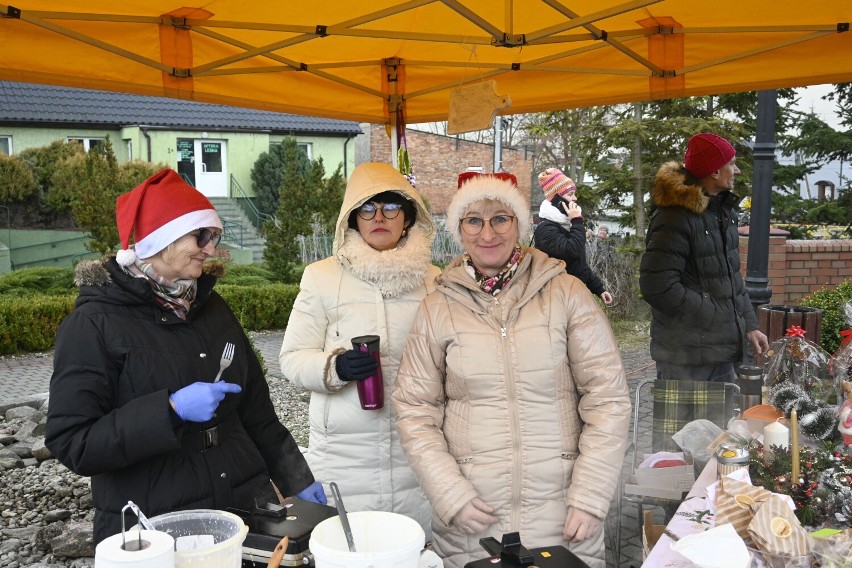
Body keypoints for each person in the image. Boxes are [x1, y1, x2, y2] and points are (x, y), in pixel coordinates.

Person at [44, 168, 325, 545]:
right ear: (162, 240)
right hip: (155, 520)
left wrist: (297, 479)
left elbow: (257, 413)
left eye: (214, 237)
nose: (211, 249)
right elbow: (72, 441)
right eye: (201, 236)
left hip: (241, 502)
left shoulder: (212, 307)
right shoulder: (92, 324)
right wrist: (169, 410)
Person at [393, 172, 630, 568]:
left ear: (520, 224)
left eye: (500, 218)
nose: (488, 233)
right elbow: (415, 411)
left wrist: (590, 496)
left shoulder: (567, 292)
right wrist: (451, 494)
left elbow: (607, 399)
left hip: (564, 517)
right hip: (473, 519)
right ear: (459, 229)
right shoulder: (438, 307)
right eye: (474, 220)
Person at [279, 162, 439, 538]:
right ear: (352, 219)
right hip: (343, 458)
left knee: (410, 549)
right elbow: (291, 357)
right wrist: (334, 368)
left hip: (415, 454)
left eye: (390, 207)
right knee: (349, 549)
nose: (378, 217)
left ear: (409, 216)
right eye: (367, 208)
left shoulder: (435, 281)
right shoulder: (322, 277)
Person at [639, 133, 769, 382]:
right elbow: (658, 288)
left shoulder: (722, 212)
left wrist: (749, 325)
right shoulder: (674, 217)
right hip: (683, 360)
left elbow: (730, 278)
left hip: (718, 354)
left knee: (721, 422)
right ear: (714, 172)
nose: (737, 170)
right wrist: (717, 316)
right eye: (731, 163)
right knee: (684, 424)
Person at [532, 168, 614, 305]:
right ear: (557, 199)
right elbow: (572, 251)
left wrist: (599, 289)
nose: (575, 199)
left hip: (571, 295)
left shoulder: (565, 224)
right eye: (570, 194)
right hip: (555, 299)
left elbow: (578, 265)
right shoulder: (546, 229)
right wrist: (576, 221)